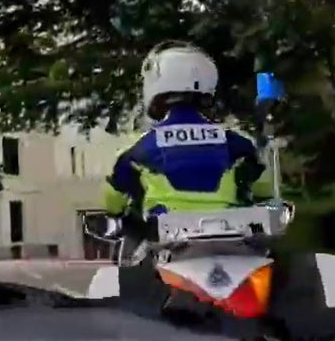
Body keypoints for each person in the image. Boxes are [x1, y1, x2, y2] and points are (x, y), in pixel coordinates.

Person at [102, 43, 271, 242]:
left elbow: (113, 198)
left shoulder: (137, 148)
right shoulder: (238, 141)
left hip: (166, 240)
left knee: (130, 258)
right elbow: (263, 186)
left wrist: (116, 214)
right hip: (231, 237)